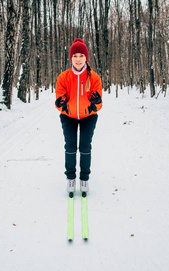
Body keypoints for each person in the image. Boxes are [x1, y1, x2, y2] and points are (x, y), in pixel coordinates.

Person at [55, 38, 103, 195]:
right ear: (71, 58)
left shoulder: (94, 77)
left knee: (84, 147)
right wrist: (60, 103)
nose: (78, 59)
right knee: (70, 147)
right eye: (75, 55)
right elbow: (58, 101)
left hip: (88, 116)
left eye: (81, 55)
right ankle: (70, 178)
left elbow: (99, 104)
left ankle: (84, 179)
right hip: (68, 117)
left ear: (86, 57)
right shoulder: (63, 77)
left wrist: (96, 102)